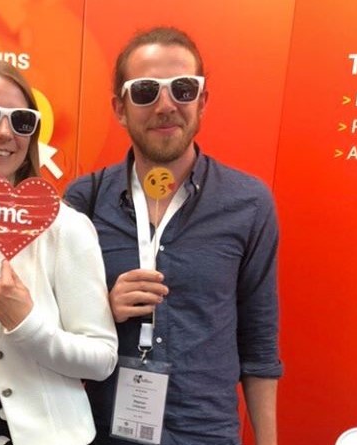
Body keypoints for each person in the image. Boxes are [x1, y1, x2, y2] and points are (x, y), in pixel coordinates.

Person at [65, 27, 282, 445]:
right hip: (103, 431)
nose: (165, 105)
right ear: (120, 108)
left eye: (183, 89)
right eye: (145, 91)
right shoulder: (84, 201)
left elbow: (259, 340)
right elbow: (58, 329)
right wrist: (102, 309)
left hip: (205, 432)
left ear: (202, 101)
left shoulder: (248, 203)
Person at [0, 60, 118, 445]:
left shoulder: (64, 229)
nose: (4, 131)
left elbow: (102, 358)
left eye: (22, 121)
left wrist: (28, 325)